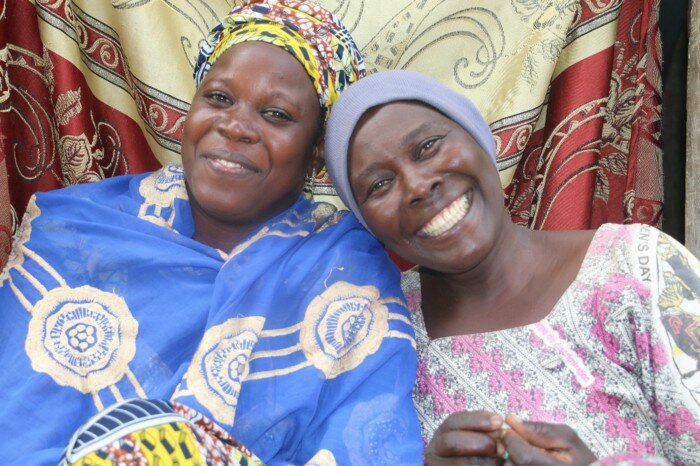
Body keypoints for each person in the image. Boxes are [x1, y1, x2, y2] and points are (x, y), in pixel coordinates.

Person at [0, 3, 423, 464]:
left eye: (277, 114)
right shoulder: (76, 229)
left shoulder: (344, 275)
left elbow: (370, 446)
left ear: (317, 151)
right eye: (219, 98)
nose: (235, 126)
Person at [325, 70, 700, 465]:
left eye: (428, 146)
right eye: (379, 185)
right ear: (367, 223)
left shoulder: (635, 268)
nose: (417, 186)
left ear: (478, 137)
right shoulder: (383, 339)